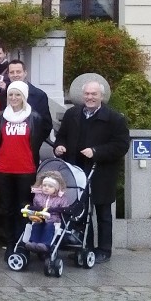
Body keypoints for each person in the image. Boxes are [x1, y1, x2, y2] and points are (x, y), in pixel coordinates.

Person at [54, 80, 130, 263]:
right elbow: (61, 136)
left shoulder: (114, 118)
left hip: (101, 172)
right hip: (77, 172)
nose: (89, 97)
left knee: (103, 213)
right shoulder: (72, 114)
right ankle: (84, 246)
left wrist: (96, 152)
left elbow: (121, 145)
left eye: (94, 94)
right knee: (80, 212)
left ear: (101, 96)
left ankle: (104, 249)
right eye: (87, 94)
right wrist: (60, 147)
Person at [0, 81, 43, 253]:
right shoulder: (0, 116)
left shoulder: (34, 117)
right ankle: (10, 241)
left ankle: (23, 241)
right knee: (7, 208)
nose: (13, 98)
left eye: (17, 94)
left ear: (24, 97)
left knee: (24, 207)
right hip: (4, 169)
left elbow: (35, 144)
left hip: (25, 169)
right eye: (11, 94)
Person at [0, 60, 53, 155]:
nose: (15, 75)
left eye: (18, 72)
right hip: (6, 151)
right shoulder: (3, 95)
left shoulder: (39, 95)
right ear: (8, 75)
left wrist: (33, 145)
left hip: (29, 152)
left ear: (25, 73)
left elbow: (46, 125)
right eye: (12, 72)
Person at [24, 171, 73, 253]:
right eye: (44, 185)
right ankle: (33, 242)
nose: (46, 188)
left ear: (56, 189)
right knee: (36, 225)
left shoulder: (61, 198)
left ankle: (45, 244)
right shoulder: (38, 196)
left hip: (53, 220)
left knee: (48, 226)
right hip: (39, 217)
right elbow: (35, 205)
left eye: (50, 186)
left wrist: (57, 210)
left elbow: (65, 208)